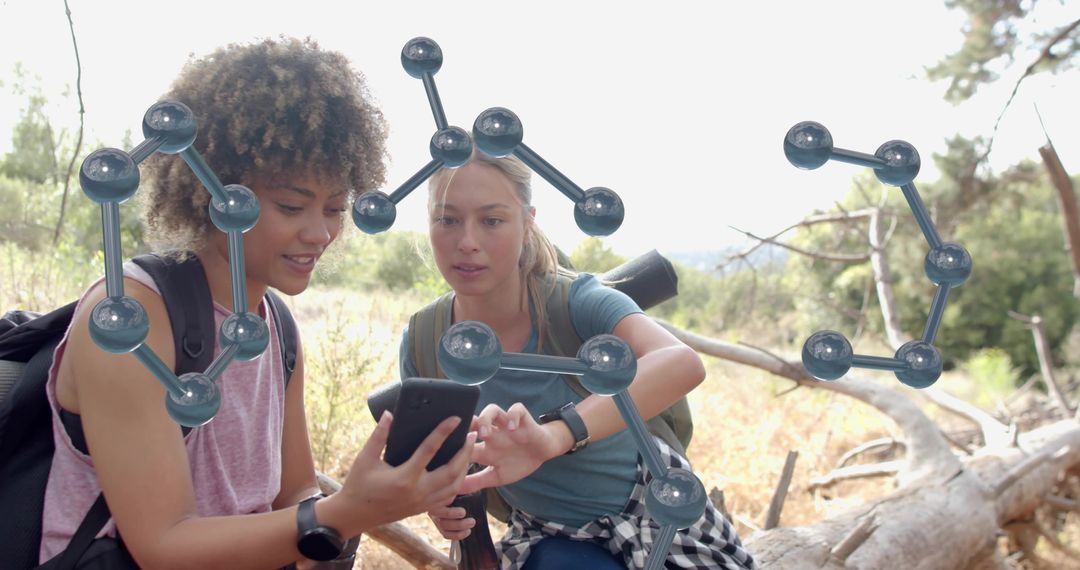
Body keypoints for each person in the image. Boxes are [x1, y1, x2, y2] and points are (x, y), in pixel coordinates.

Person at [40, 37, 474, 568]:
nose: (319, 232)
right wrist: (341, 513)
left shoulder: (278, 327)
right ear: (213, 191)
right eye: (291, 205)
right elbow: (163, 544)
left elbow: (291, 494)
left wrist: (371, 500)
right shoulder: (132, 319)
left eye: (336, 208)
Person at [399, 151, 756, 569]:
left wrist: (556, 435)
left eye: (492, 220)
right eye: (447, 219)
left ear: (527, 221)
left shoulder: (577, 302)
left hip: (656, 514)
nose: (467, 242)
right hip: (549, 535)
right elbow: (435, 466)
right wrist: (442, 505)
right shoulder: (424, 342)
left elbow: (681, 362)